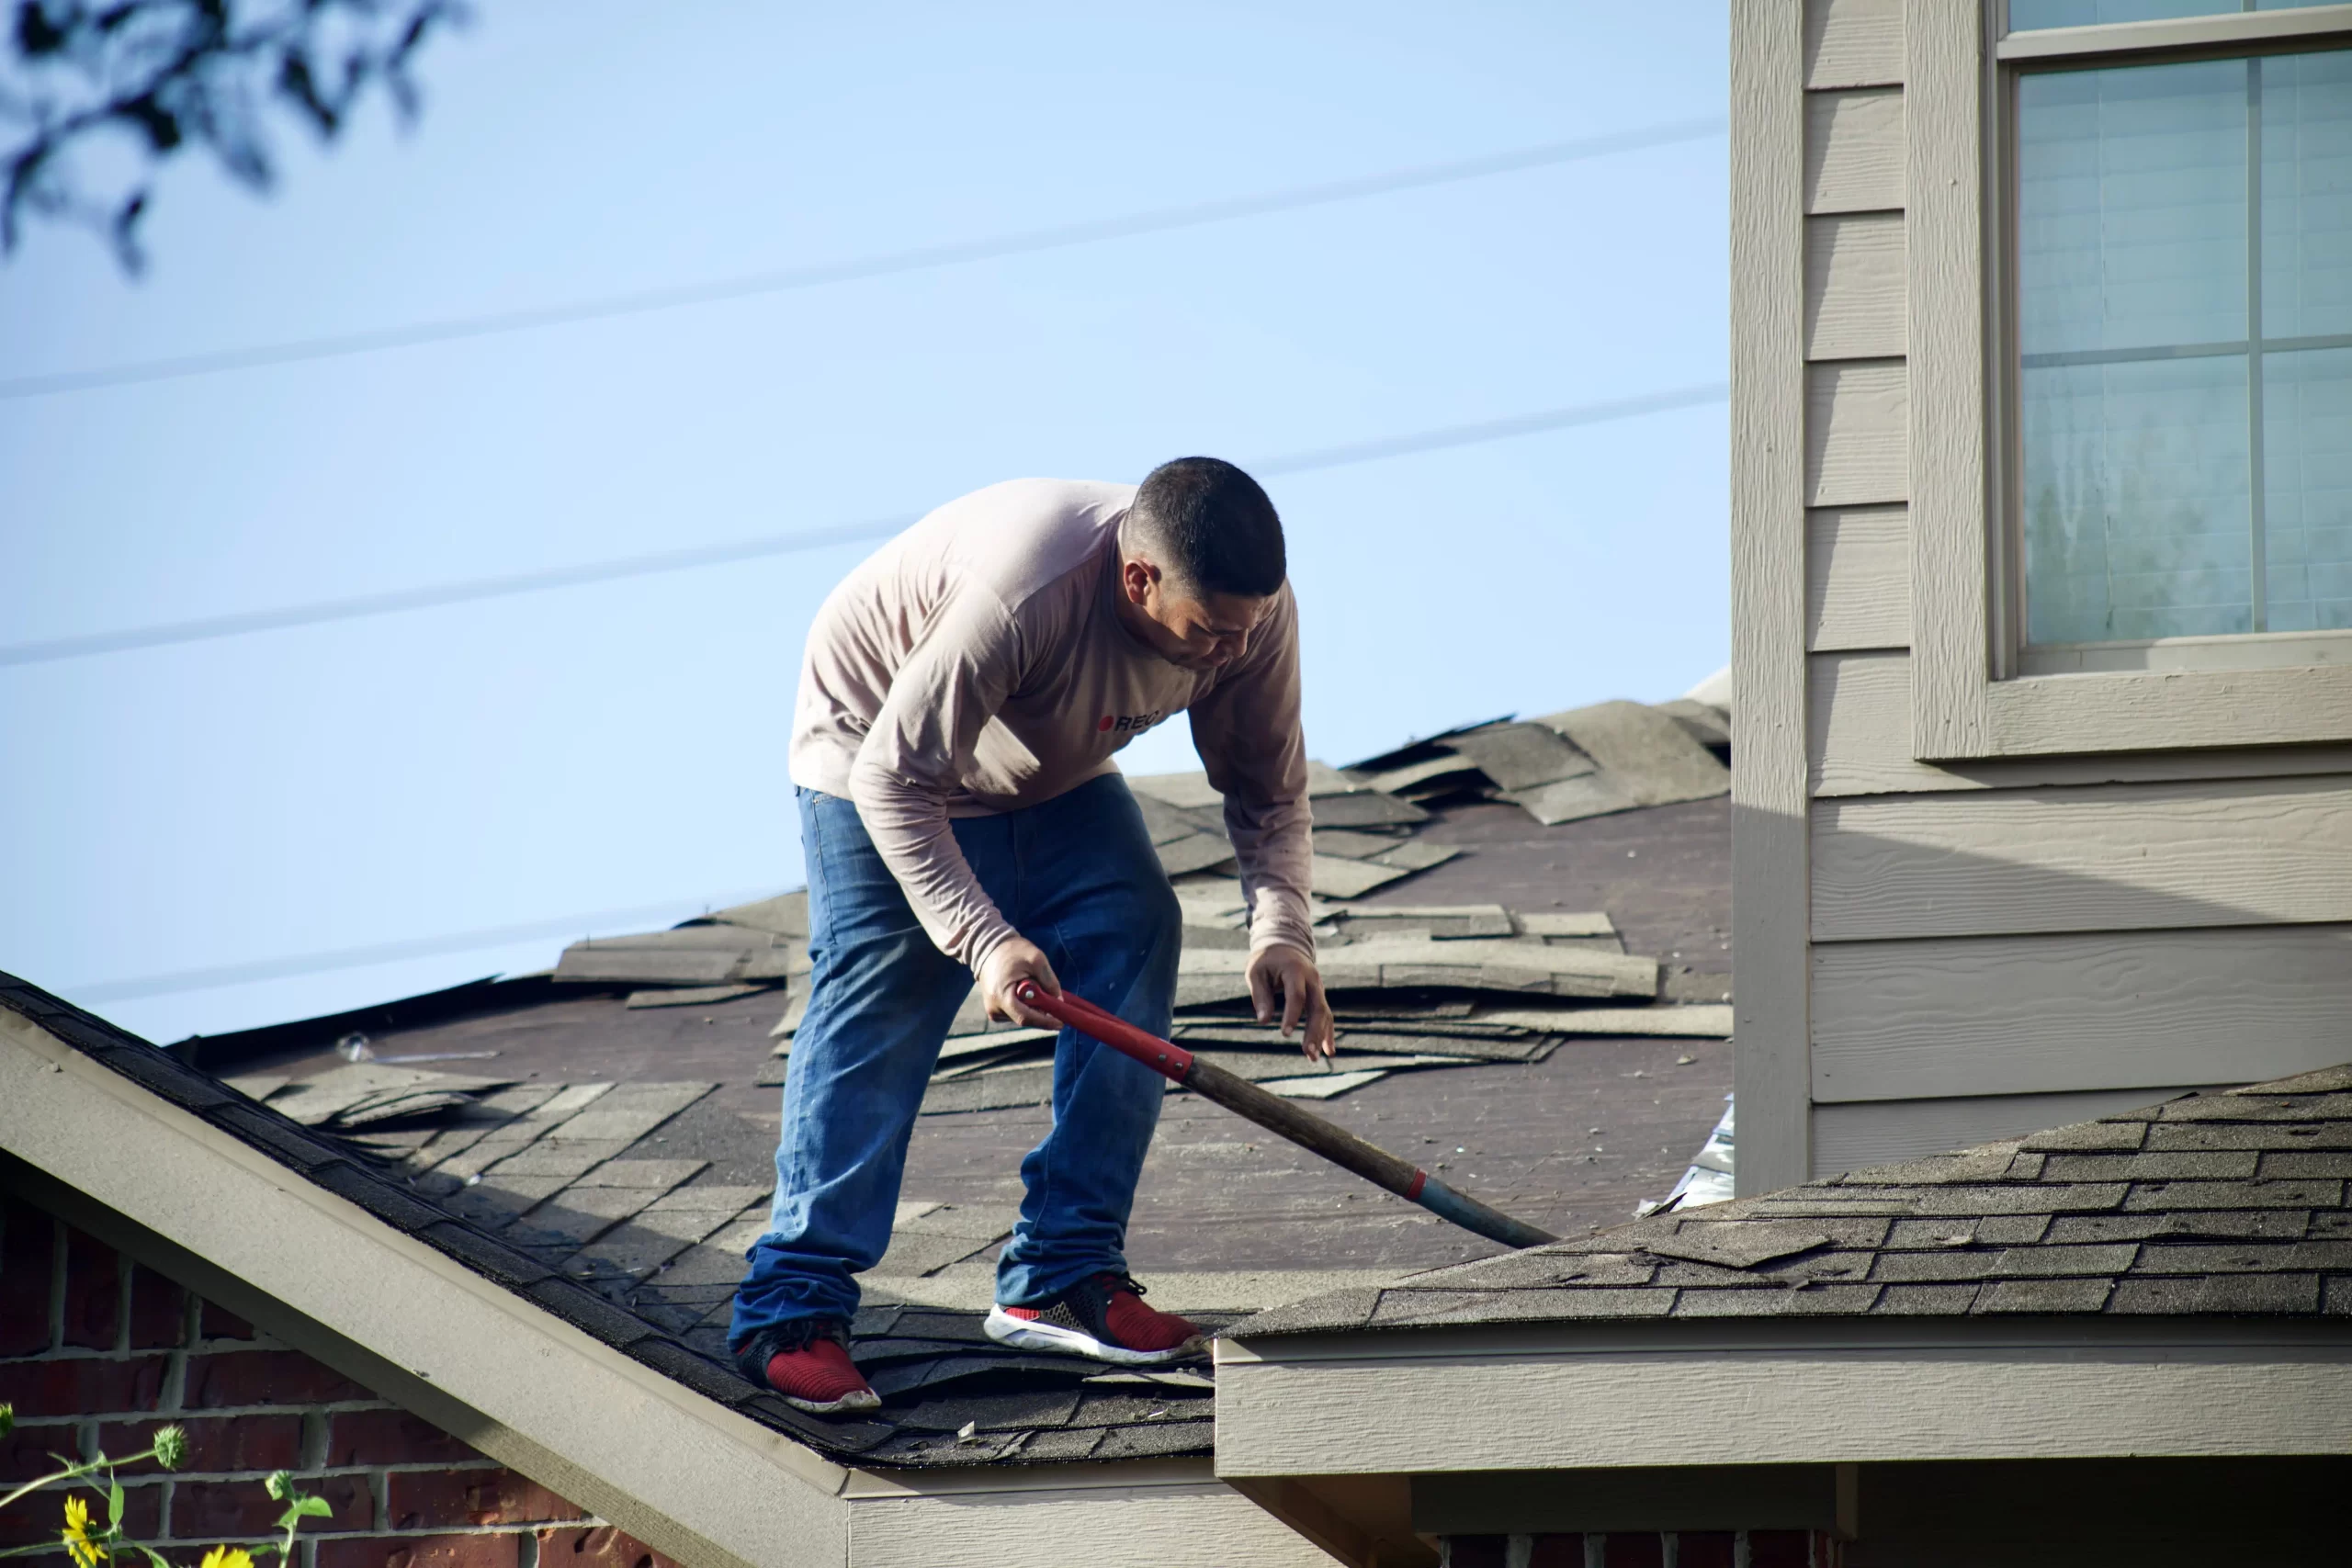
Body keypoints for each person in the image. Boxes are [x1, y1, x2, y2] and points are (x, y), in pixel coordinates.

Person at [728, 458, 1335, 1415]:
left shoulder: (1247, 616)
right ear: (1139, 580)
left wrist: (1283, 930)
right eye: (1210, 632)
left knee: (1134, 925)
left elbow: (1268, 788)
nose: (1227, 653)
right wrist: (983, 938)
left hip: (1043, 770)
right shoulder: (1026, 592)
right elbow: (895, 778)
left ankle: (1061, 1273)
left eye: (1244, 630)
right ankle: (791, 1309)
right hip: (875, 756)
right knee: (886, 988)